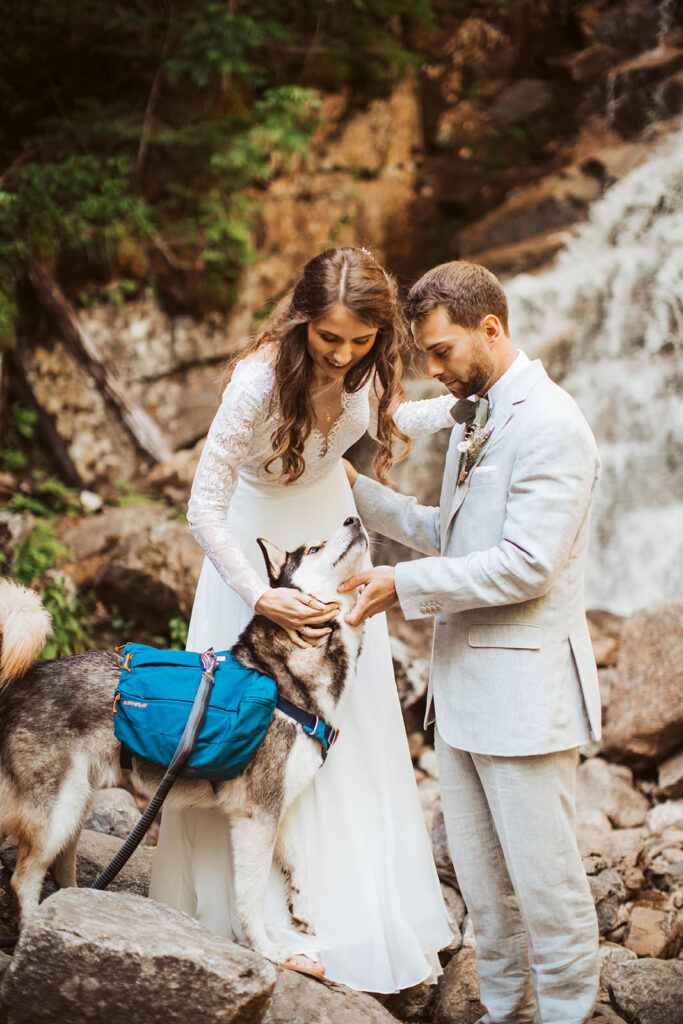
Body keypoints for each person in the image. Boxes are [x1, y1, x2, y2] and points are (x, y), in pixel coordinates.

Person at [149, 245, 454, 992]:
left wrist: (475, 396)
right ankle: (244, 916)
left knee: (352, 729)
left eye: (359, 342)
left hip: (333, 537)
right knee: (252, 727)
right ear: (302, 320)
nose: (342, 356)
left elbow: (386, 415)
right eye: (328, 340)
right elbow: (202, 507)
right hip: (251, 554)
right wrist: (258, 594)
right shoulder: (257, 382)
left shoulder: (369, 362)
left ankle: (351, 912)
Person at [341, 260, 601, 1023]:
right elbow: (447, 534)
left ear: (491, 328)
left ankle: (564, 1013)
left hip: (525, 700)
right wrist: (352, 494)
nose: (433, 369)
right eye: (425, 354)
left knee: (546, 887)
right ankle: (503, 1012)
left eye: (442, 351)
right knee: (486, 892)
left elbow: (527, 565)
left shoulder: (551, 424)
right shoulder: (475, 414)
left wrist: (402, 589)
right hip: (459, 697)